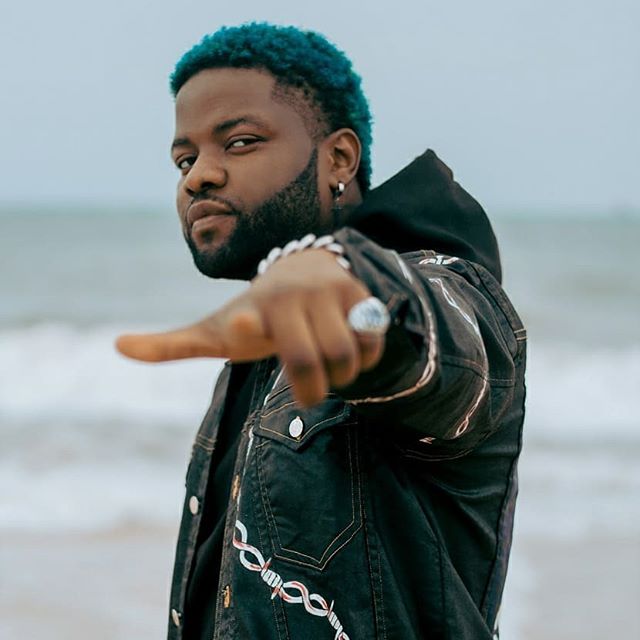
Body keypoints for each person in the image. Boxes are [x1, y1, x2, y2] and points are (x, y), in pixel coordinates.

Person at [116, 22, 526, 640]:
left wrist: (355, 296)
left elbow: (445, 356)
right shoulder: (260, 353)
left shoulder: (442, 287)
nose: (198, 176)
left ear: (338, 159)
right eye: (185, 159)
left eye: (240, 142)